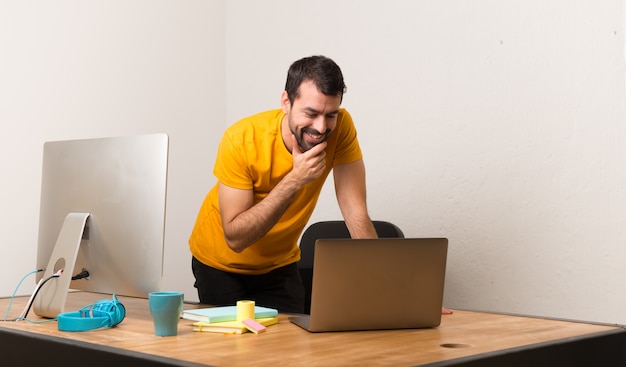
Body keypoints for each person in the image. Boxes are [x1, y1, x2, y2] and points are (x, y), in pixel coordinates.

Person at [189, 55, 378, 313]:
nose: (321, 127)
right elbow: (236, 237)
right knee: (234, 351)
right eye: (310, 113)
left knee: (292, 348)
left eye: (330, 115)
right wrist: (295, 180)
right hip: (221, 265)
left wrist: (387, 287)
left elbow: (355, 210)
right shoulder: (241, 139)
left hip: (279, 265)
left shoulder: (341, 128)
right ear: (286, 102)